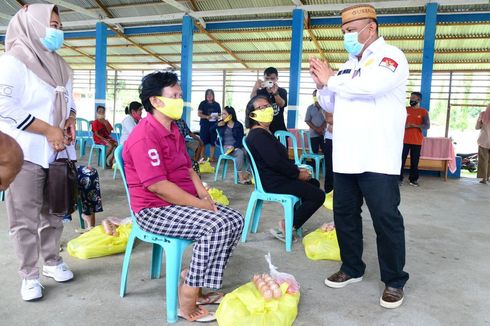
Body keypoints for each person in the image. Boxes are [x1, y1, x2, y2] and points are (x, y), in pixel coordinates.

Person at [310, 4, 409, 309]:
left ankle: (393, 280)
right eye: (344, 32)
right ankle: (352, 268)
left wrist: (332, 81)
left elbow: (370, 87)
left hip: (377, 157)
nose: (347, 36)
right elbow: (331, 103)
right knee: (345, 216)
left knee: (385, 219)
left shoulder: (390, 56)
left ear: (371, 28)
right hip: (346, 156)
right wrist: (321, 84)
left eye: (351, 30)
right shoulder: (345, 67)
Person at [123, 71, 243, 322]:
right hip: (154, 209)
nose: (180, 99)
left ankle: (195, 281)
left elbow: (188, 167)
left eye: (180, 95)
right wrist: (200, 205)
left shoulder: (173, 128)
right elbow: (158, 187)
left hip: (180, 202)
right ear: (155, 101)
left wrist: (203, 193)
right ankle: (187, 297)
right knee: (217, 225)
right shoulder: (145, 136)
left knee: (234, 220)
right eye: (174, 95)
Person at [0, 4, 75, 301]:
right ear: (32, 25)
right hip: (25, 152)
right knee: (24, 218)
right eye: (51, 24)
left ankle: (52, 261)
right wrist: (48, 130)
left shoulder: (62, 66)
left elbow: (69, 101)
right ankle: (29, 275)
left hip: (57, 152)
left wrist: (69, 120)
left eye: (58, 25)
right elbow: (5, 107)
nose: (56, 30)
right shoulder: (13, 61)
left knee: (54, 211)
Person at [245, 95, 324, 242]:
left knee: (313, 183)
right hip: (273, 182)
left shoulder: (263, 132)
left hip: (276, 177)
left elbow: (278, 161)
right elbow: (275, 162)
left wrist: (297, 170)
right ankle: (288, 224)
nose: (266, 109)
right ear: (252, 114)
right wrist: (297, 174)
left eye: (267, 106)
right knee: (319, 195)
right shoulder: (258, 135)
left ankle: (291, 220)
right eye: (261, 108)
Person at [211, 106, 250, 184]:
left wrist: (234, 146)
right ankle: (240, 177)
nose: (222, 116)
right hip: (226, 147)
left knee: (249, 152)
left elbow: (240, 139)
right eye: (222, 114)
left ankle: (248, 173)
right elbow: (211, 130)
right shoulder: (221, 123)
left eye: (224, 114)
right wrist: (217, 125)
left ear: (230, 115)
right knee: (240, 153)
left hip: (237, 145)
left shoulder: (238, 125)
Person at [400, 91, 430, 187]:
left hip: (416, 141)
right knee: (401, 160)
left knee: (414, 161)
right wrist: (405, 126)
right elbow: (397, 123)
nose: (411, 99)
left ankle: (413, 179)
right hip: (404, 140)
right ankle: (398, 178)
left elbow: (427, 126)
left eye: (413, 98)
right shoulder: (405, 110)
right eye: (410, 97)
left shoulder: (423, 112)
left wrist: (416, 125)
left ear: (419, 100)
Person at [250, 67, 288, 134]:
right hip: (263, 128)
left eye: (272, 78)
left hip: (279, 128)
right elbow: (252, 101)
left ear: (277, 79)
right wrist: (255, 88)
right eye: (267, 78)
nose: (269, 81)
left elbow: (282, 104)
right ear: (264, 78)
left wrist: (275, 93)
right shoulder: (260, 92)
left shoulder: (282, 91)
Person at [76, 165, 103, 230]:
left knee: (91, 173)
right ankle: (89, 221)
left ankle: (88, 215)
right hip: (53, 170)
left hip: (67, 166)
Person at [198, 89, 221, 162]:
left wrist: (217, 116)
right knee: (203, 142)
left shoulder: (217, 104)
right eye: (208, 94)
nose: (209, 96)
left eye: (211, 94)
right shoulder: (202, 103)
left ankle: (211, 157)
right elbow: (199, 114)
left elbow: (220, 114)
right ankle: (201, 157)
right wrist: (206, 117)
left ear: (213, 95)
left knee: (213, 142)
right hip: (204, 125)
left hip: (214, 126)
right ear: (206, 95)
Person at [476, 104, 490, 184]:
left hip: (483, 140)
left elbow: (477, 127)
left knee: (483, 160)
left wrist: (481, 124)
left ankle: (484, 178)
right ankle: (488, 177)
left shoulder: (483, 114)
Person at [322, 109, 334, 194]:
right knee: (330, 166)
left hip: (343, 140)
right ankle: (329, 190)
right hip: (330, 140)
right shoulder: (329, 105)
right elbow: (330, 121)